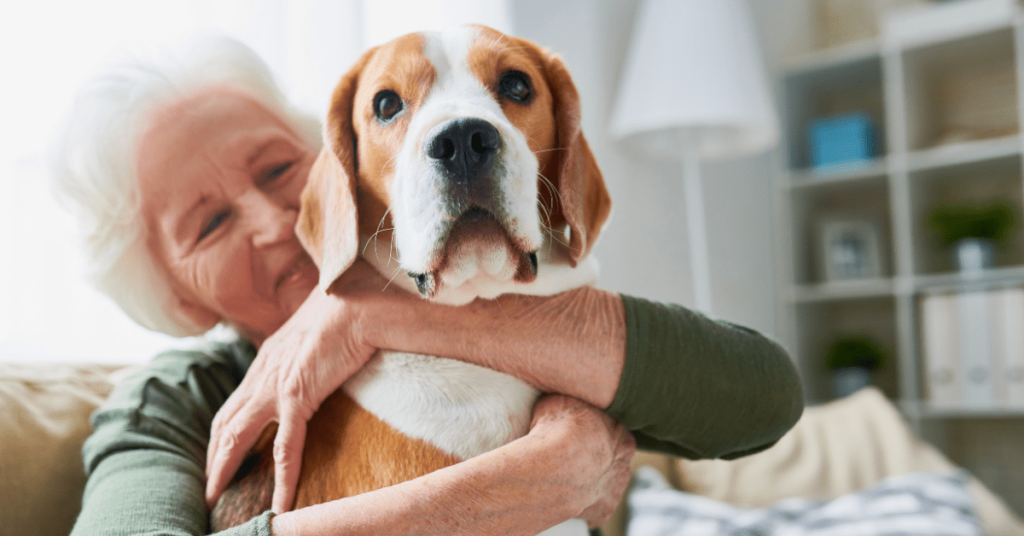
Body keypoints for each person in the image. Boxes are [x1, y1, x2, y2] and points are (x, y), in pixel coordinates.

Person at [51, 35, 803, 536]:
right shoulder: (174, 400)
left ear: (344, 170)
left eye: (281, 170)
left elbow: (765, 399)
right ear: (179, 297)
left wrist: (372, 318)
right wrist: (521, 484)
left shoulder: (499, 286)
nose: (274, 222)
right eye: (209, 223)